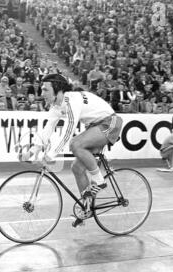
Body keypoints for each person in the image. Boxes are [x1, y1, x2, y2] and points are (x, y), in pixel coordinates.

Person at [22, 74, 123, 224]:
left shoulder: (71, 99)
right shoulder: (56, 105)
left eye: (45, 89)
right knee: (76, 168)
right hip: (95, 126)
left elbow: (69, 131)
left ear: (57, 89)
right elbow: (47, 128)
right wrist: (34, 149)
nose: (41, 93)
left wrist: (51, 155)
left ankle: (99, 181)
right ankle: (87, 207)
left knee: (75, 144)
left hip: (110, 122)